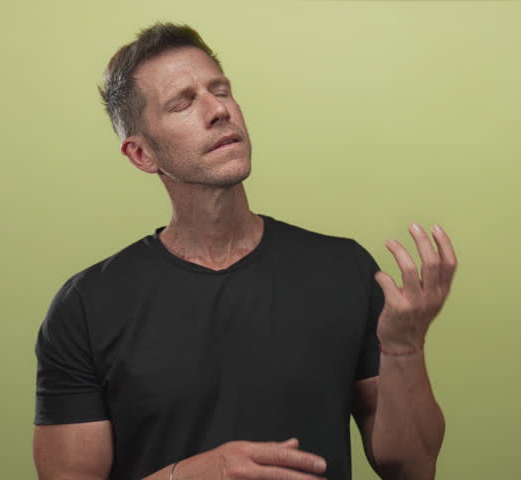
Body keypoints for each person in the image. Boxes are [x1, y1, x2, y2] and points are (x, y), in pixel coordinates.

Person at [32, 21, 455, 480]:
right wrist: (193, 474)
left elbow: (413, 468)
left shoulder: (345, 271)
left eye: (221, 91)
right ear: (140, 155)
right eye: (183, 102)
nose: (218, 110)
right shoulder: (86, 308)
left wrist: (405, 349)